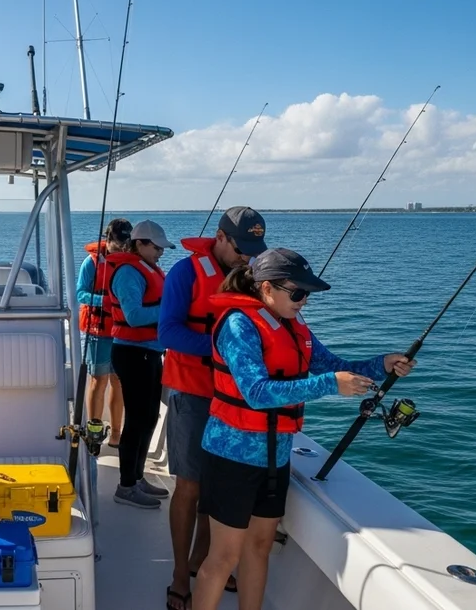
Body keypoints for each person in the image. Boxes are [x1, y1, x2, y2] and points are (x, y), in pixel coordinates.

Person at [191, 249, 417, 610]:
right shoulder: (238, 325)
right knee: (223, 558)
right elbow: (257, 392)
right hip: (231, 457)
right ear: (266, 288)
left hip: (275, 457)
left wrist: (382, 364)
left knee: (260, 548)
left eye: (307, 294)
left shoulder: (295, 328)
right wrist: (330, 385)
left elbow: (334, 365)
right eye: (297, 293)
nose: (304, 301)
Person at [160, 206, 268, 605]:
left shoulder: (254, 271)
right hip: (193, 393)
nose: (247, 256)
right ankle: (179, 575)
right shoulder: (184, 273)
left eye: (255, 248)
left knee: (218, 488)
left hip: (236, 398)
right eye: (242, 247)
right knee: (189, 486)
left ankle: (202, 561)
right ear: (220, 237)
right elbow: (167, 330)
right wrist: (223, 348)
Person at [106, 219, 174, 509]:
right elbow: (133, 316)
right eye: (156, 247)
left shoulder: (148, 269)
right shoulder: (128, 274)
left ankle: (136, 476)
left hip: (149, 352)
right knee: (136, 420)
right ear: (140, 244)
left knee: (148, 418)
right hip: (133, 354)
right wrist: (172, 309)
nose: (161, 252)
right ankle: (126, 486)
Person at [77, 218, 132, 448]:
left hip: (122, 332)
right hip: (99, 333)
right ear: (108, 239)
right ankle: (94, 430)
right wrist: (106, 301)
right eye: (118, 244)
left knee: (118, 381)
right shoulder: (91, 263)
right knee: (98, 381)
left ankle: (117, 433)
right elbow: (80, 293)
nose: (122, 248)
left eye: (126, 244)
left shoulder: (130, 261)